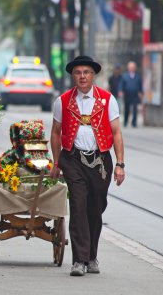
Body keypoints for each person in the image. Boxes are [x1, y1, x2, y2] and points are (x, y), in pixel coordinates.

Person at [49, 55, 125, 277]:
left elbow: (117, 133)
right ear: (73, 76)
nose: (82, 77)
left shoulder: (107, 100)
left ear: (93, 75)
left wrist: (120, 164)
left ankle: (92, 256)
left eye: (86, 72)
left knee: (96, 207)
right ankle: (79, 261)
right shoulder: (62, 101)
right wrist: (56, 162)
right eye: (78, 73)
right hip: (72, 160)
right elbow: (55, 132)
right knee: (78, 206)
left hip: (101, 161)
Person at [119, 61, 143, 127]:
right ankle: (125, 122)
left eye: (133, 67)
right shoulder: (124, 76)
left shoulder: (138, 76)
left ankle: (134, 123)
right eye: (131, 67)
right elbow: (121, 84)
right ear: (128, 68)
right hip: (127, 94)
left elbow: (140, 86)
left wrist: (141, 93)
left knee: (135, 109)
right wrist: (120, 91)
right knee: (127, 108)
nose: (132, 68)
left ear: (135, 68)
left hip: (135, 95)